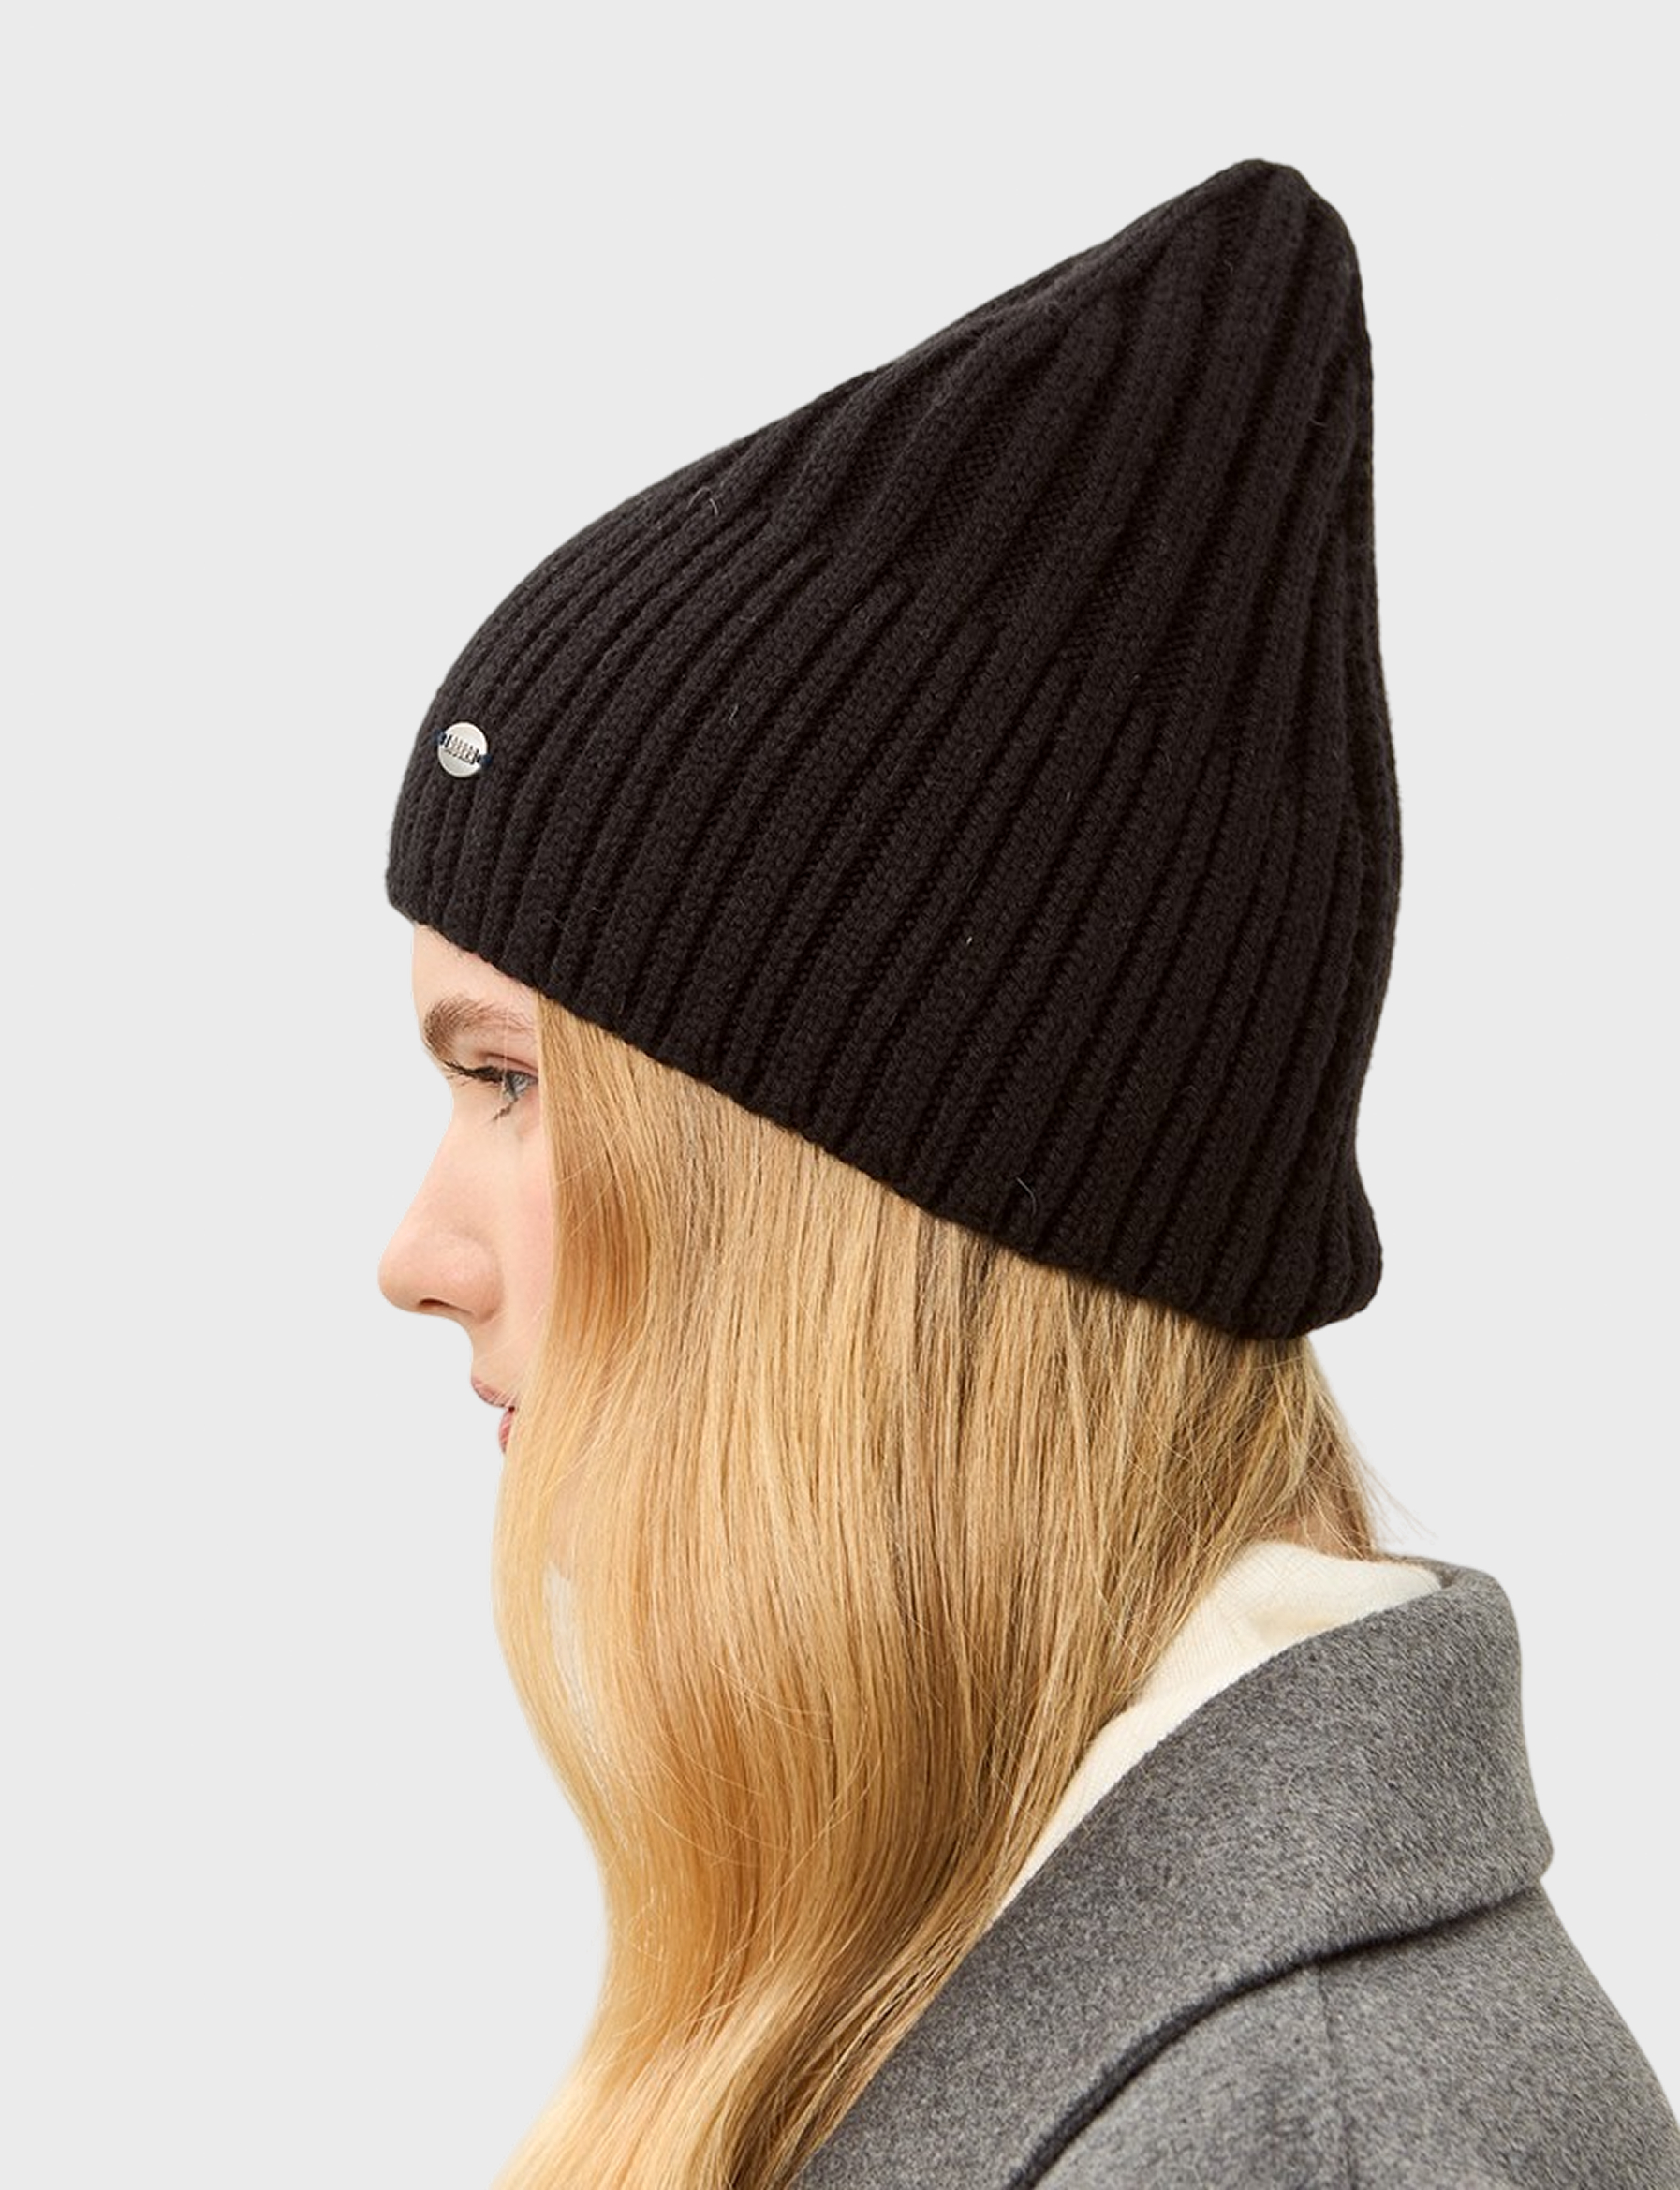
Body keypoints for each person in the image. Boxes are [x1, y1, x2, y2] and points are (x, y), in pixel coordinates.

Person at [377, 158, 1680, 2190]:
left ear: (869, 1180)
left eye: (511, 1079)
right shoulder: (972, 1970)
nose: (416, 1250)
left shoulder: (1320, 2133)